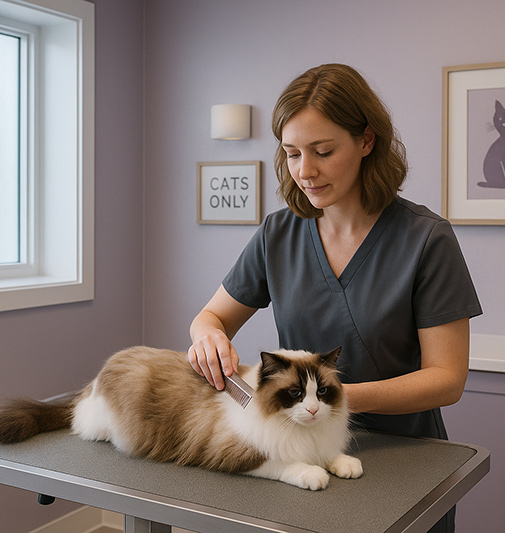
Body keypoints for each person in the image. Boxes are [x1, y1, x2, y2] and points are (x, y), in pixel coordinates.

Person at [188, 63, 482, 531]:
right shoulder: (277, 234)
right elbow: (212, 318)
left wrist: (337, 401)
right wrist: (206, 337)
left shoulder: (426, 240)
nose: (305, 171)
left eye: (323, 151)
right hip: (300, 459)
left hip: (403, 457)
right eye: (291, 153)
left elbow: (447, 379)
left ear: (367, 141)